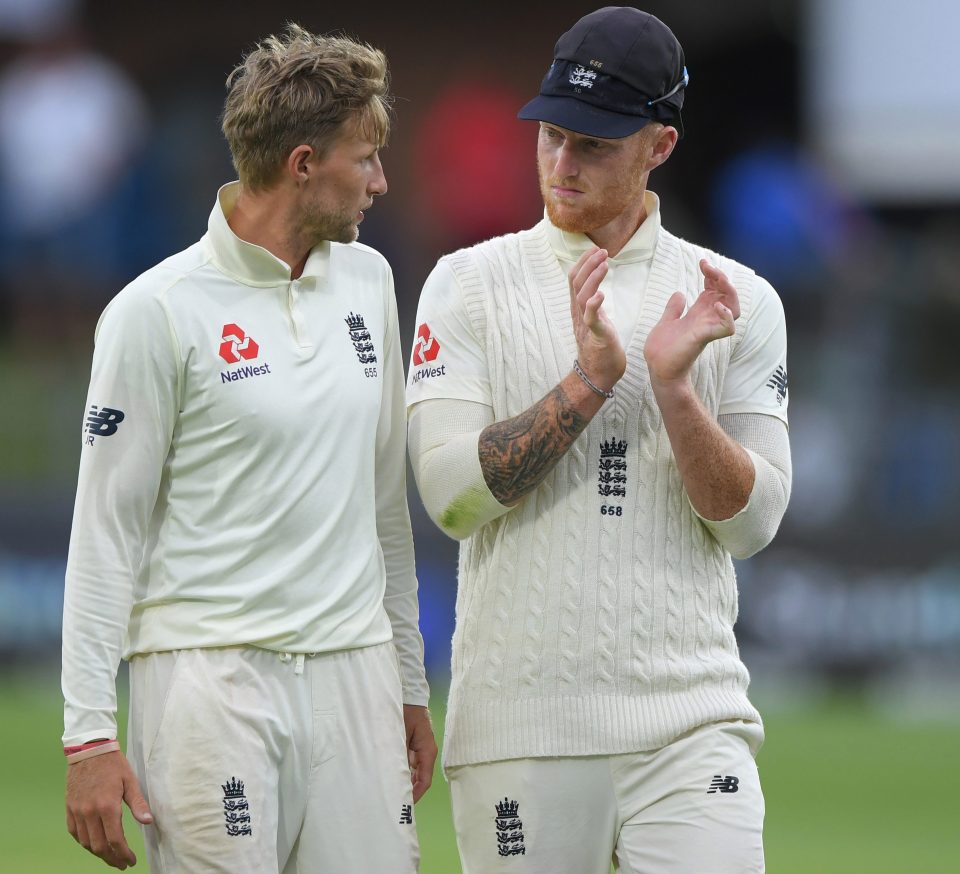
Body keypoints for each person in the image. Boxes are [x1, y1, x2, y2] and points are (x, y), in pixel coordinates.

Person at [406, 7, 790, 873]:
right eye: (552, 136)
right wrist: (588, 385)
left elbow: (754, 521)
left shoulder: (735, 299)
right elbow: (450, 496)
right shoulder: (465, 286)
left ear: (659, 145)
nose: (563, 164)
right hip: (519, 733)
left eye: (595, 144)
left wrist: (674, 391)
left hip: (692, 726)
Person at [62, 23, 436, 873]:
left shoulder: (371, 281)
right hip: (209, 690)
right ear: (303, 164)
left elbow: (385, 505)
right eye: (366, 157)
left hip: (355, 678)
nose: (382, 181)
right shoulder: (154, 311)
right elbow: (105, 531)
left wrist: (408, 684)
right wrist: (88, 735)